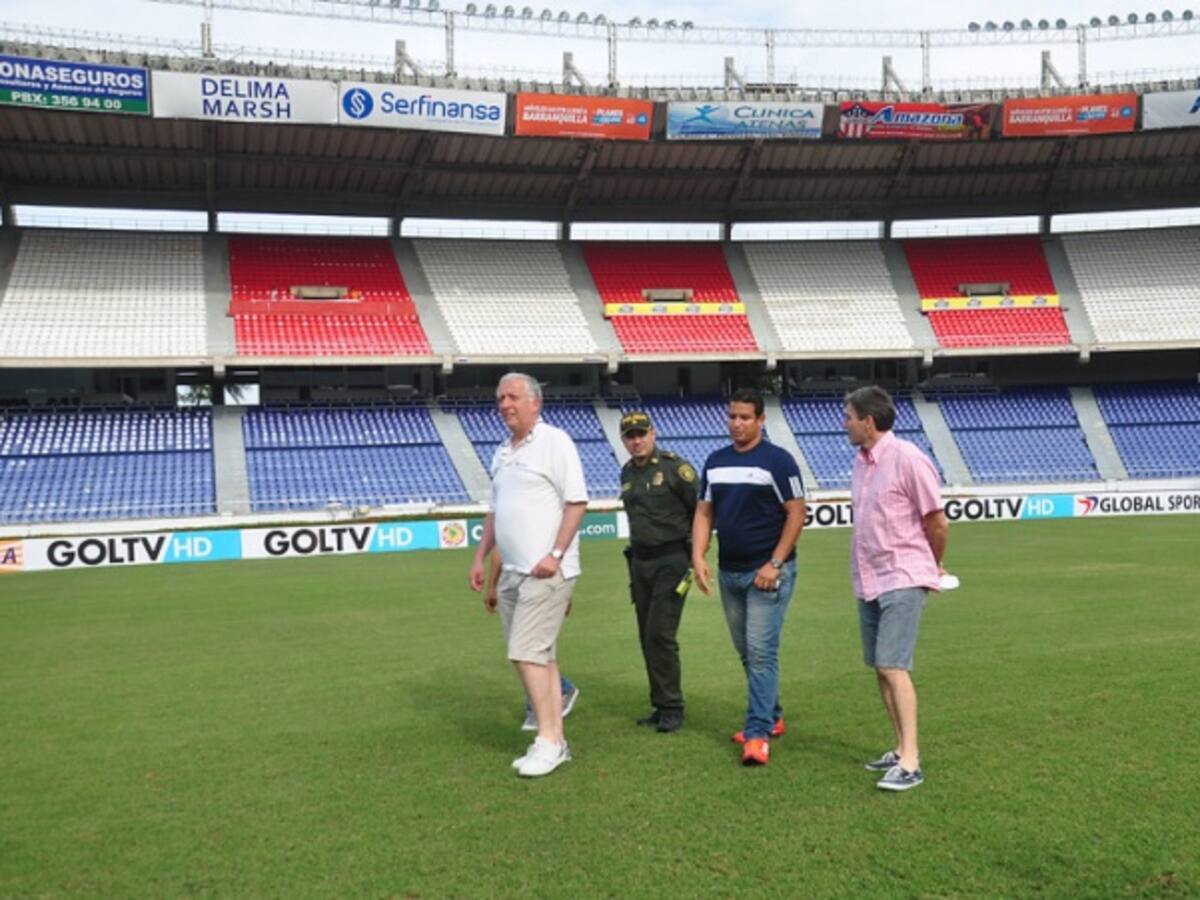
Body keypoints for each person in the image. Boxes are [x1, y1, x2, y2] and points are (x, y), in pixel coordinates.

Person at [469, 372, 588, 778]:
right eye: (500, 397)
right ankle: (555, 739)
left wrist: (555, 555)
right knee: (542, 657)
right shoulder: (503, 451)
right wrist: (481, 557)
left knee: (525, 653)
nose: (504, 404)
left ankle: (549, 741)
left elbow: (576, 501)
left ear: (535, 402)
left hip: (544, 572)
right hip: (512, 574)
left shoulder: (555, 442)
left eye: (513, 396)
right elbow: (495, 510)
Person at [691, 388, 806, 766]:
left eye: (744, 417)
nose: (737, 424)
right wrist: (698, 554)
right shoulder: (716, 461)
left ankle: (757, 734)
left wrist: (775, 562)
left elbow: (795, 512)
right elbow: (705, 512)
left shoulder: (778, 461)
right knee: (746, 652)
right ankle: (772, 716)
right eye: (732, 417)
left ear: (761, 420)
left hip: (768, 574)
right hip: (730, 573)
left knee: (760, 654)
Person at [843, 386, 949, 792]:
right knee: (880, 667)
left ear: (868, 421)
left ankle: (911, 761)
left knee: (893, 665)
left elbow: (937, 521)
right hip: (869, 578)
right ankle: (900, 745)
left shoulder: (907, 458)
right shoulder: (861, 462)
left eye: (849, 416)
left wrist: (932, 566)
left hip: (903, 574)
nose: (844, 423)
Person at [618, 410, 698, 733]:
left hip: (672, 559)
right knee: (646, 637)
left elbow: (702, 511)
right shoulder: (627, 472)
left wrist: (696, 556)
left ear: (653, 433)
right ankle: (661, 703)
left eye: (641, 434)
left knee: (660, 635)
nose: (637, 441)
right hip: (640, 562)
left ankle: (673, 707)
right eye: (630, 436)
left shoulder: (675, 468)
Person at [483, 550, 581, 731]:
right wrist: (493, 586)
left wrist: (564, 594)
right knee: (520, 650)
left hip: (540, 580)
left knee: (529, 650)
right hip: (510, 581)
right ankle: (559, 691)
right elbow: (499, 545)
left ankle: (542, 716)